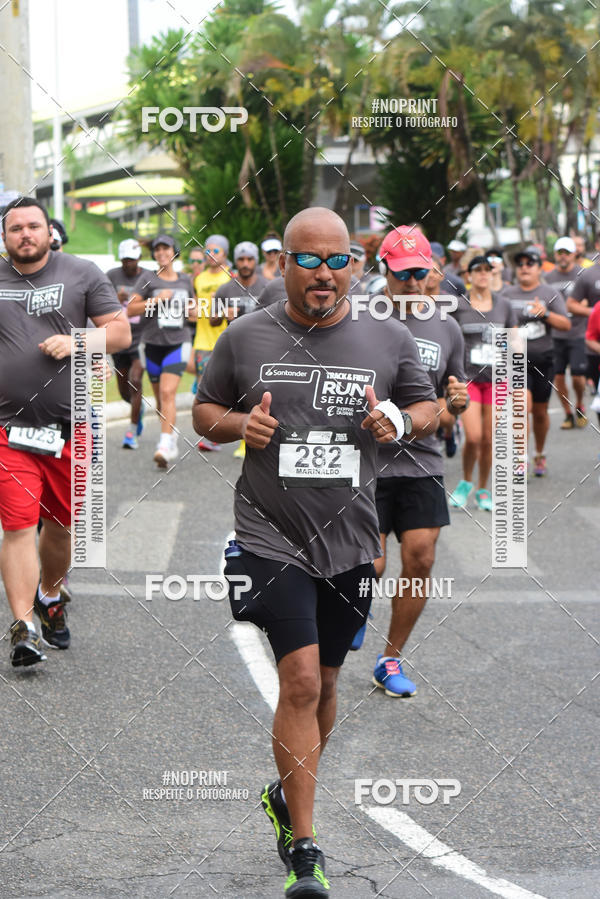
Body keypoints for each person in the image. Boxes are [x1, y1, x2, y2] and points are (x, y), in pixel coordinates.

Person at [193, 207, 438, 898]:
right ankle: (305, 848)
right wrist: (245, 422)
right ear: (284, 264)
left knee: (327, 683)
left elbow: (427, 410)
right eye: (309, 260)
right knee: (299, 681)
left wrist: (398, 418)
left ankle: (285, 791)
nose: (324, 274)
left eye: (338, 261)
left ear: (354, 266)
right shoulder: (246, 335)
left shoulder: (389, 338)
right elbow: (204, 414)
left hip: (350, 539)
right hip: (269, 535)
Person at [0, 197, 131, 667]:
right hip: (9, 430)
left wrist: (77, 340)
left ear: (48, 232)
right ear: (5, 236)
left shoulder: (81, 272)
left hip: (68, 428)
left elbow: (119, 335)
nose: (25, 234)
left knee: (59, 527)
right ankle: (23, 625)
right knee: (16, 526)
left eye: (33, 226)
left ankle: (50, 594)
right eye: (15, 228)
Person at [369, 227, 468, 699]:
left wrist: (457, 404)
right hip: (367, 461)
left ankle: (390, 658)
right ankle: (351, 615)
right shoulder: (359, 319)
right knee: (370, 564)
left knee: (422, 557)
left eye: (418, 273)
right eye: (400, 273)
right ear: (384, 270)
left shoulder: (446, 326)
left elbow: (453, 398)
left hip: (423, 462)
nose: (410, 283)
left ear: (430, 271)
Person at [448, 255, 517, 510]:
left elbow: (514, 340)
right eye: (478, 270)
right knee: (474, 437)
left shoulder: (505, 306)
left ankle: (483, 489)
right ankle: (465, 482)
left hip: (497, 380)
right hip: (469, 379)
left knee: (489, 439)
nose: (483, 274)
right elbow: (449, 338)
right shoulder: (458, 305)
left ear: (493, 273)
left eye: (488, 270)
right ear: (469, 275)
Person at [127, 235, 195, 468]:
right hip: (152, 344)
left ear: (174, 252)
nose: (161, 253)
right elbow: (130, 310)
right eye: (157, 250)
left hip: (179, 342)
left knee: (168, 393)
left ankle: (164, 444)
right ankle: (171, 435)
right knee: (159, 400)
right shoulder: (147, 278)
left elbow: (192, 312)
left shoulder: (185, 280)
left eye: (166, 249)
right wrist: (154, 301)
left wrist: (194, 312)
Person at [503, 247, 570, 476]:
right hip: (515, 362)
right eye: (519, 264)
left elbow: (566, 325)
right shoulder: (506, 294)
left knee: (540, 413)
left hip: (544, 361)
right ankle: (521, 458)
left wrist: (546, 314)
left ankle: (539, 453)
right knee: (522, 406)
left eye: (529, 263)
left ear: (539, 268)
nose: (523, 268)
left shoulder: (550, 292)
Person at [208, 241, 269, 457]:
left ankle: (249, 441)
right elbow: (212, 321)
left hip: (262, 349)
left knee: (257, 393)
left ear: (256, 261)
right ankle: (243, 433)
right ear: (236, 261)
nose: (245, 264)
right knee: (239, 394)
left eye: (249, 259)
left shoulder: (266, 287)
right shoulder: (226, 288)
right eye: (241, 259)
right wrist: (223, 312)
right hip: (235, 349)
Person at [191, 234, 231, 449]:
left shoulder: (230, 278)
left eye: (216, 251)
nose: (211, 255)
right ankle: (212, 434)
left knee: (225, 389)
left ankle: (225, 431)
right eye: (208, 251)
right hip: (202, 341)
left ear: (224, 253)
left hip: (225, 341)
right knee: (203, 389)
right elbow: (195, 309)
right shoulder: (200, 279)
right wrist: (192, 311)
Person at [106, 239, 146, 449]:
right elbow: (99, 301)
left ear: (139, 258)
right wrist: (115, 298)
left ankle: (131, 432)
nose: (127, 264)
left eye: (131, 259)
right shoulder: (111, 276)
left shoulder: (148, 277)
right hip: (120, 338)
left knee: (136, 379)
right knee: (124, 391)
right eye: (124, 260)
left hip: (142, 338)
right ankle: (138, 409)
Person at [544, 237, 587, 429]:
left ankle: (579, 404)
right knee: (559, 378)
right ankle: (568, 414)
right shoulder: (547, 277)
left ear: (573, 254)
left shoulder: (582, 275)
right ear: (555, 255)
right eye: (559, 252)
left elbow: (589, 300)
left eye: (566, 253)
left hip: (578, 332)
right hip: (555, 336)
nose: (563, 256)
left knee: (578, 376)